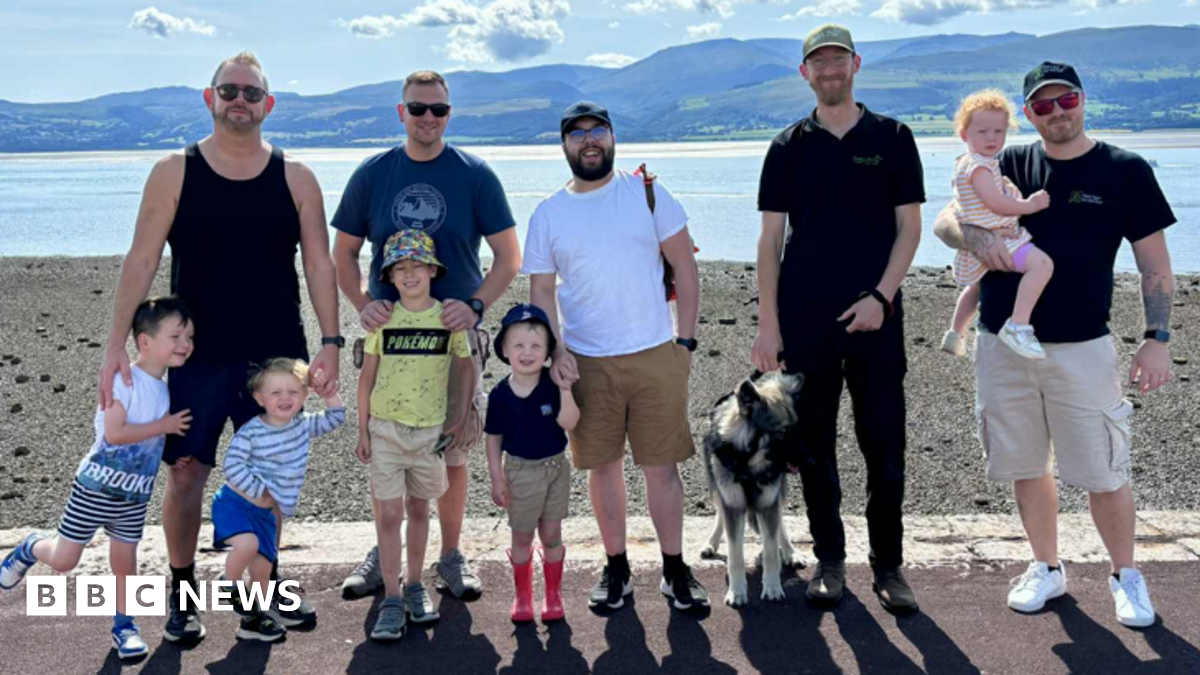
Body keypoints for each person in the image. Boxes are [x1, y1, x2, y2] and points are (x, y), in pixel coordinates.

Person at [95, 51, 342, 642]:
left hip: (276, 356)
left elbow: (319, 264)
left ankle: (265, 591)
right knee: (185, 474)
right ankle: (183, 599)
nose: (240, 100)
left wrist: (331, 343)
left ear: (268, 105)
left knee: (271, 477)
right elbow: (142, 258)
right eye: (229, 91)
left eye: (251, 93)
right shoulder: (173, 171)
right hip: (193, 356)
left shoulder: (297, 177)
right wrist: (115, 345)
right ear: (210, 99)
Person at [933, 61, 1175, 628]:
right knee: (1025, 464)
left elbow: (1156, 265)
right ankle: (1047, 566)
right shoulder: (1007, 162)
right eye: (1041, 106)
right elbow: (946, 218)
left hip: (1083, 346)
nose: (1056, 112)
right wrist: (973, 236)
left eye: (1065, 100)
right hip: (1002, 345)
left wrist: (1156, 338)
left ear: (1083, 100)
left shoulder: (1125, 169)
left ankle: (1126, 575)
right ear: (1029, 115)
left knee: (1104, 469)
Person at [753, 24, 924, 614]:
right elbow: (770, 240)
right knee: (815, 448)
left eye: (838, 60)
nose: (829, 70)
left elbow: (910, 228)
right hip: (805, 322)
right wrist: (767, 326)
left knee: (884, 446)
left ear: (856, 64)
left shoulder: (894, 137)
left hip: (878, 319)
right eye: (817, 62)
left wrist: (881, 296)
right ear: (805, 72)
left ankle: (889, 566)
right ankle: (831, 561)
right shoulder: (786, 147)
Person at [331, 70, 520, 601]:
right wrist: (365, 307)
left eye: (438, 110)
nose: (428, 118)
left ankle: (451, 554)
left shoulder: (475, 175)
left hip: (454, 338)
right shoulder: (373, 174)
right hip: (388, 338)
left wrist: (477, 307)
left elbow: (509, 258)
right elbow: (342, 253)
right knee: (388, 442)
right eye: (418, 109)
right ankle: (385, 551)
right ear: (401, 112)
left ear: (449, 114)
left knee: (453, 447)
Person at [526, 100, 709, 612]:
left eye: (598, 130)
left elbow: (686, 270)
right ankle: (617, 568)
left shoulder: (648, 195)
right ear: (563, 144)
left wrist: (686, 343)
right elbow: (542, 293)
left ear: (612, 138)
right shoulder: (548, 213)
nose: (589, 140)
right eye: (577, 133)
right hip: (585, 361)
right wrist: (555, 352)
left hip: (655, 352)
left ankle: (675, 569)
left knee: (662, 468)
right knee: (602, 468)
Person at [2, 298, 194, 659]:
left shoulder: (167, 388)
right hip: (94, 489)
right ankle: (30, 546)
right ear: (145, 342)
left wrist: (172, 449)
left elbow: (151, 437)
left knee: (125, 563)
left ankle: (125, 627)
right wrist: (166, 425)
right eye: (176, 335)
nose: (185, 343)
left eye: (190, 336)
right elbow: (116, 433)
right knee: (63, 560)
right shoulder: (123, 380)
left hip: (134, 497)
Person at [355, 230, 475, 641]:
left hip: (430, 434)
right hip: (386, 430)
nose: (409, 274)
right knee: (389, 515)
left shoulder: (448, 318)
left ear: (431, 270)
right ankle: (391, 597)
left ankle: (415, 585)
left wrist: (458, 420)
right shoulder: (384, 319)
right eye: (400, 268)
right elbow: (367, 376)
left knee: (421, 509)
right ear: (390, 276)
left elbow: (466, 367)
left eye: (416, 266)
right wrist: (363, 429)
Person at [212, 358, 345, 642]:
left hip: (266, 516)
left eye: (293, 391)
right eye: (275, 393)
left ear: (304, 395)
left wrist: (328, 392)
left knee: (263, 572)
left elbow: (336, 417)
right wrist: (260, 491)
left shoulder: (302, 425)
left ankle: (253, 622)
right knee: (246, 546)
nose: (285, 398)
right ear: (260, 398)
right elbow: (232, 464)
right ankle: (228, 583)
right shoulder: (253, 431)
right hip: (236, 505)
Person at [942, 89, 1054, 360]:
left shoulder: (968, 163)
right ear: (964, 134)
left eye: (998, 131)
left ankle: (955, 332)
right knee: (1042, 266)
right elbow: (994, 202)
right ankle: (1018, 324)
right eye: (982, 132)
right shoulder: (979, 166)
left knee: (977, 285)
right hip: (1000, 238)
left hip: (987, 233)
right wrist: (1030, 205)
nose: (992, 138)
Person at [485, 304, 580, 622]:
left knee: (552, 533)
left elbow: (569, 422)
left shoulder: (552, 386)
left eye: (537, 346)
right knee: (522, 535)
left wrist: (566, 391)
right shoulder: (500, 394)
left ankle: (553, 595)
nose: (528, 353)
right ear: (505, 350)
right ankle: (522, 596)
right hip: (519, 470)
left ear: (548, 350)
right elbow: (493, 438)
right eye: (519, 346)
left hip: (555, 467)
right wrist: (496, 478)